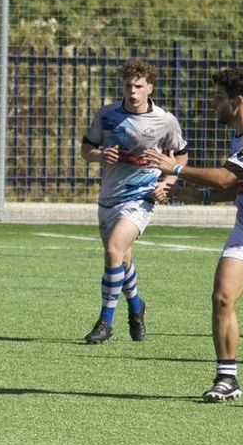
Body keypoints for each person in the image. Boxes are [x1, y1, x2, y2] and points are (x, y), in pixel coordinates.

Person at [144, 68, 243, 401]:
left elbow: (223, 178)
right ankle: (227, 378)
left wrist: (172, 168)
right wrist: (194, 195)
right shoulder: (241, 134)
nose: (212, 105)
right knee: (222, 297)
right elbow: (240, 188)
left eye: (218, 99)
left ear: (238, 102)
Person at [79, 59, 189, 344]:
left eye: (139, 86)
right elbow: (86, 148)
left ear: (149, 87)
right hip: (109, 198)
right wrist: (100, 155)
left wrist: (167, 183)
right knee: (123, 259)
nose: (133, 91)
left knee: (114, 250)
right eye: (129, 85)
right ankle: (137, 306)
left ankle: (105, 322)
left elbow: (181, 155)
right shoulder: (107, 115)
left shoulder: (165, 120)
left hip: (141, 197)